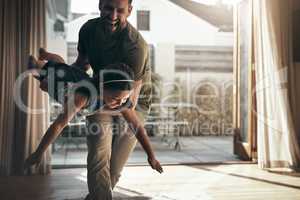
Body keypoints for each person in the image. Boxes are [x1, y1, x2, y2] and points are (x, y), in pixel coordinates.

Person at [63, 0, 154, 199]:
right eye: (108, 8)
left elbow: (130, 101)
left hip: (132, 102)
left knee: (112, 170)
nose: (113, 15)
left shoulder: (136, 46)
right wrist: (68, 85)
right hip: (100, 92)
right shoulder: (88, 30)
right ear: (100, 5)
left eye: (120, 10)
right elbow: (82, 65)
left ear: (129, 11)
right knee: (98, 154)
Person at [24, 54, 163, 179]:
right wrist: (38, 153)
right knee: (41, 71)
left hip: (74, 78)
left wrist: (151, 156)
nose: (120, 103)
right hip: (61, 82)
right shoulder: (83, 97)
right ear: (102, 88)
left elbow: (137, 127)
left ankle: (47, 57)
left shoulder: (121, 102)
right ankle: (40, 59)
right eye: (115, 98)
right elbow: (59, 125)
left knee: (62, 67)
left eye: (124, 98)